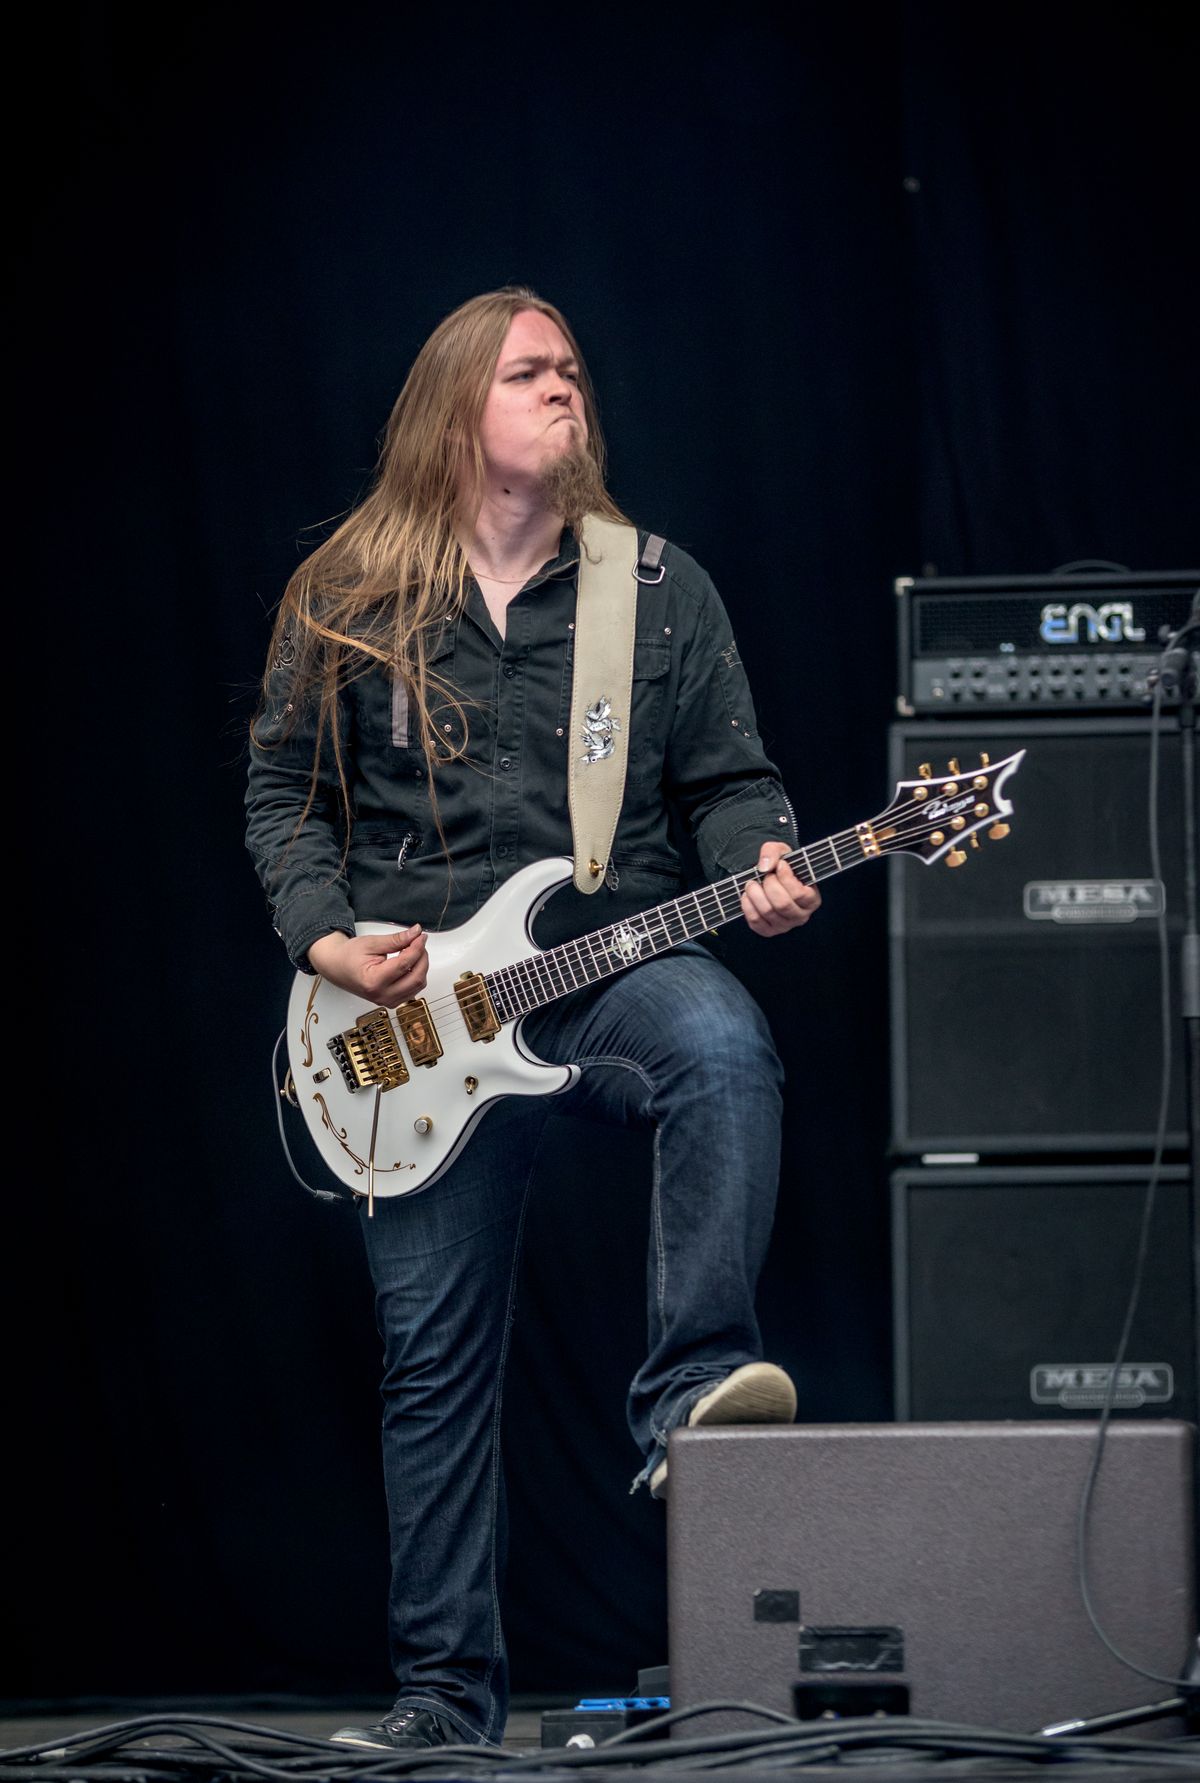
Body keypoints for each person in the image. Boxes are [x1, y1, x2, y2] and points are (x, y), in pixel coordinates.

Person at [244, 286, 821, 1751]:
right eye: (528, 372)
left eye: (571, 370)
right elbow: (283, 797)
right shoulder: (345, 595)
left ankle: (692, 1390)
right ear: (456, 410)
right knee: (433, 1362)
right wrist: (325, 940)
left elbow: (727, 783)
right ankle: (445, 1700)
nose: (565, 388)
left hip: (602, 959)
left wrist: (763, 852)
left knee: (722, 1047)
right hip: (413, 1017)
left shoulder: (657, 589)